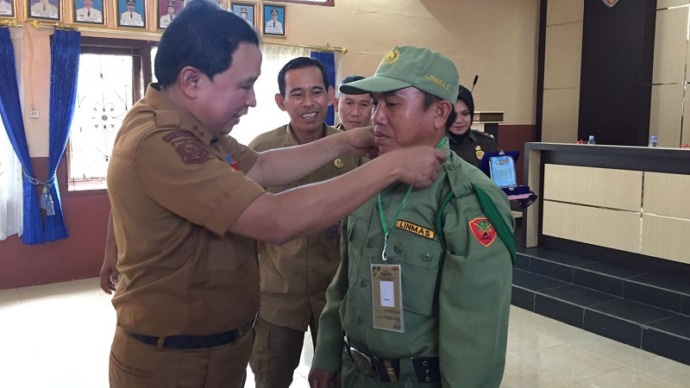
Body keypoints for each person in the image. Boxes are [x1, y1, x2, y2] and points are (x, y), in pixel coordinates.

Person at [105, 2, 446, 387]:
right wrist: (391, 166)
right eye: (244, 84)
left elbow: (262, 167)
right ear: (191, 81)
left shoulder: (195, 129)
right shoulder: (162, 141)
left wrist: (348, 140)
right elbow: (275, 219)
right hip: (176, 363)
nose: (251, 100)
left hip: (209, 352)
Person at [309, 46, 515, 388]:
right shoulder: (370, 178)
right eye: (376, 103)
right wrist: (327, 353)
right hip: (354, 374)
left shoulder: (464, 198)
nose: (376, 116)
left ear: (439, 112)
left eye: (391, 104)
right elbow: (344, 279)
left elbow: (475, 331)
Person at [248, 57, 362, 388]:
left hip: (338, 297)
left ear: (330, 96)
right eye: (297, 94)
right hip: (277, 298)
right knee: (271, 378)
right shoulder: (261, 152)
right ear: (281, 101)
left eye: (315, 92)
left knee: (336, 380)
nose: (308, 103)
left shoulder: (355, 153)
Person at [447, 85, 499, 168]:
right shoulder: (434, 145)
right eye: (453, 115)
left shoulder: (487, 143)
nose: (459, 120)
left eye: (465, 113)